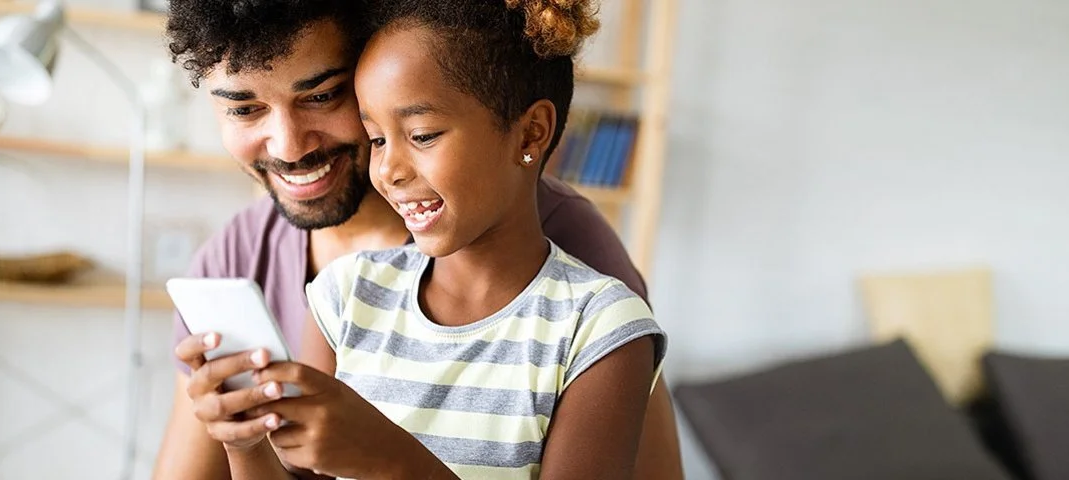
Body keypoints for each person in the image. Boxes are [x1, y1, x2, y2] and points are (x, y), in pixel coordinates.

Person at [153, 0, 683, 478]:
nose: (289, 147)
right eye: (245, 108)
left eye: (320, 95)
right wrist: (245, 442)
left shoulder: (589, 301)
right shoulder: (341, 292)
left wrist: (390, 458)